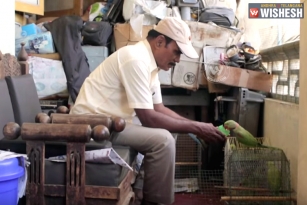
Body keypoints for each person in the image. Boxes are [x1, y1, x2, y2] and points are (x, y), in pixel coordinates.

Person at [70, 17, 226, 205]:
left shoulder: (150, 64)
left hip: (113, 122)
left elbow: (158, 109)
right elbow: (148, 119)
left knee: (172, 131)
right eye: (176, 52)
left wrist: (196, 126)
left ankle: (141, 190)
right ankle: (156, 202)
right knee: (163, 140)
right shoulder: (135, 59)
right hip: (92, 125)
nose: (177, 60)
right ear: (160, 42)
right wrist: (196, 128)